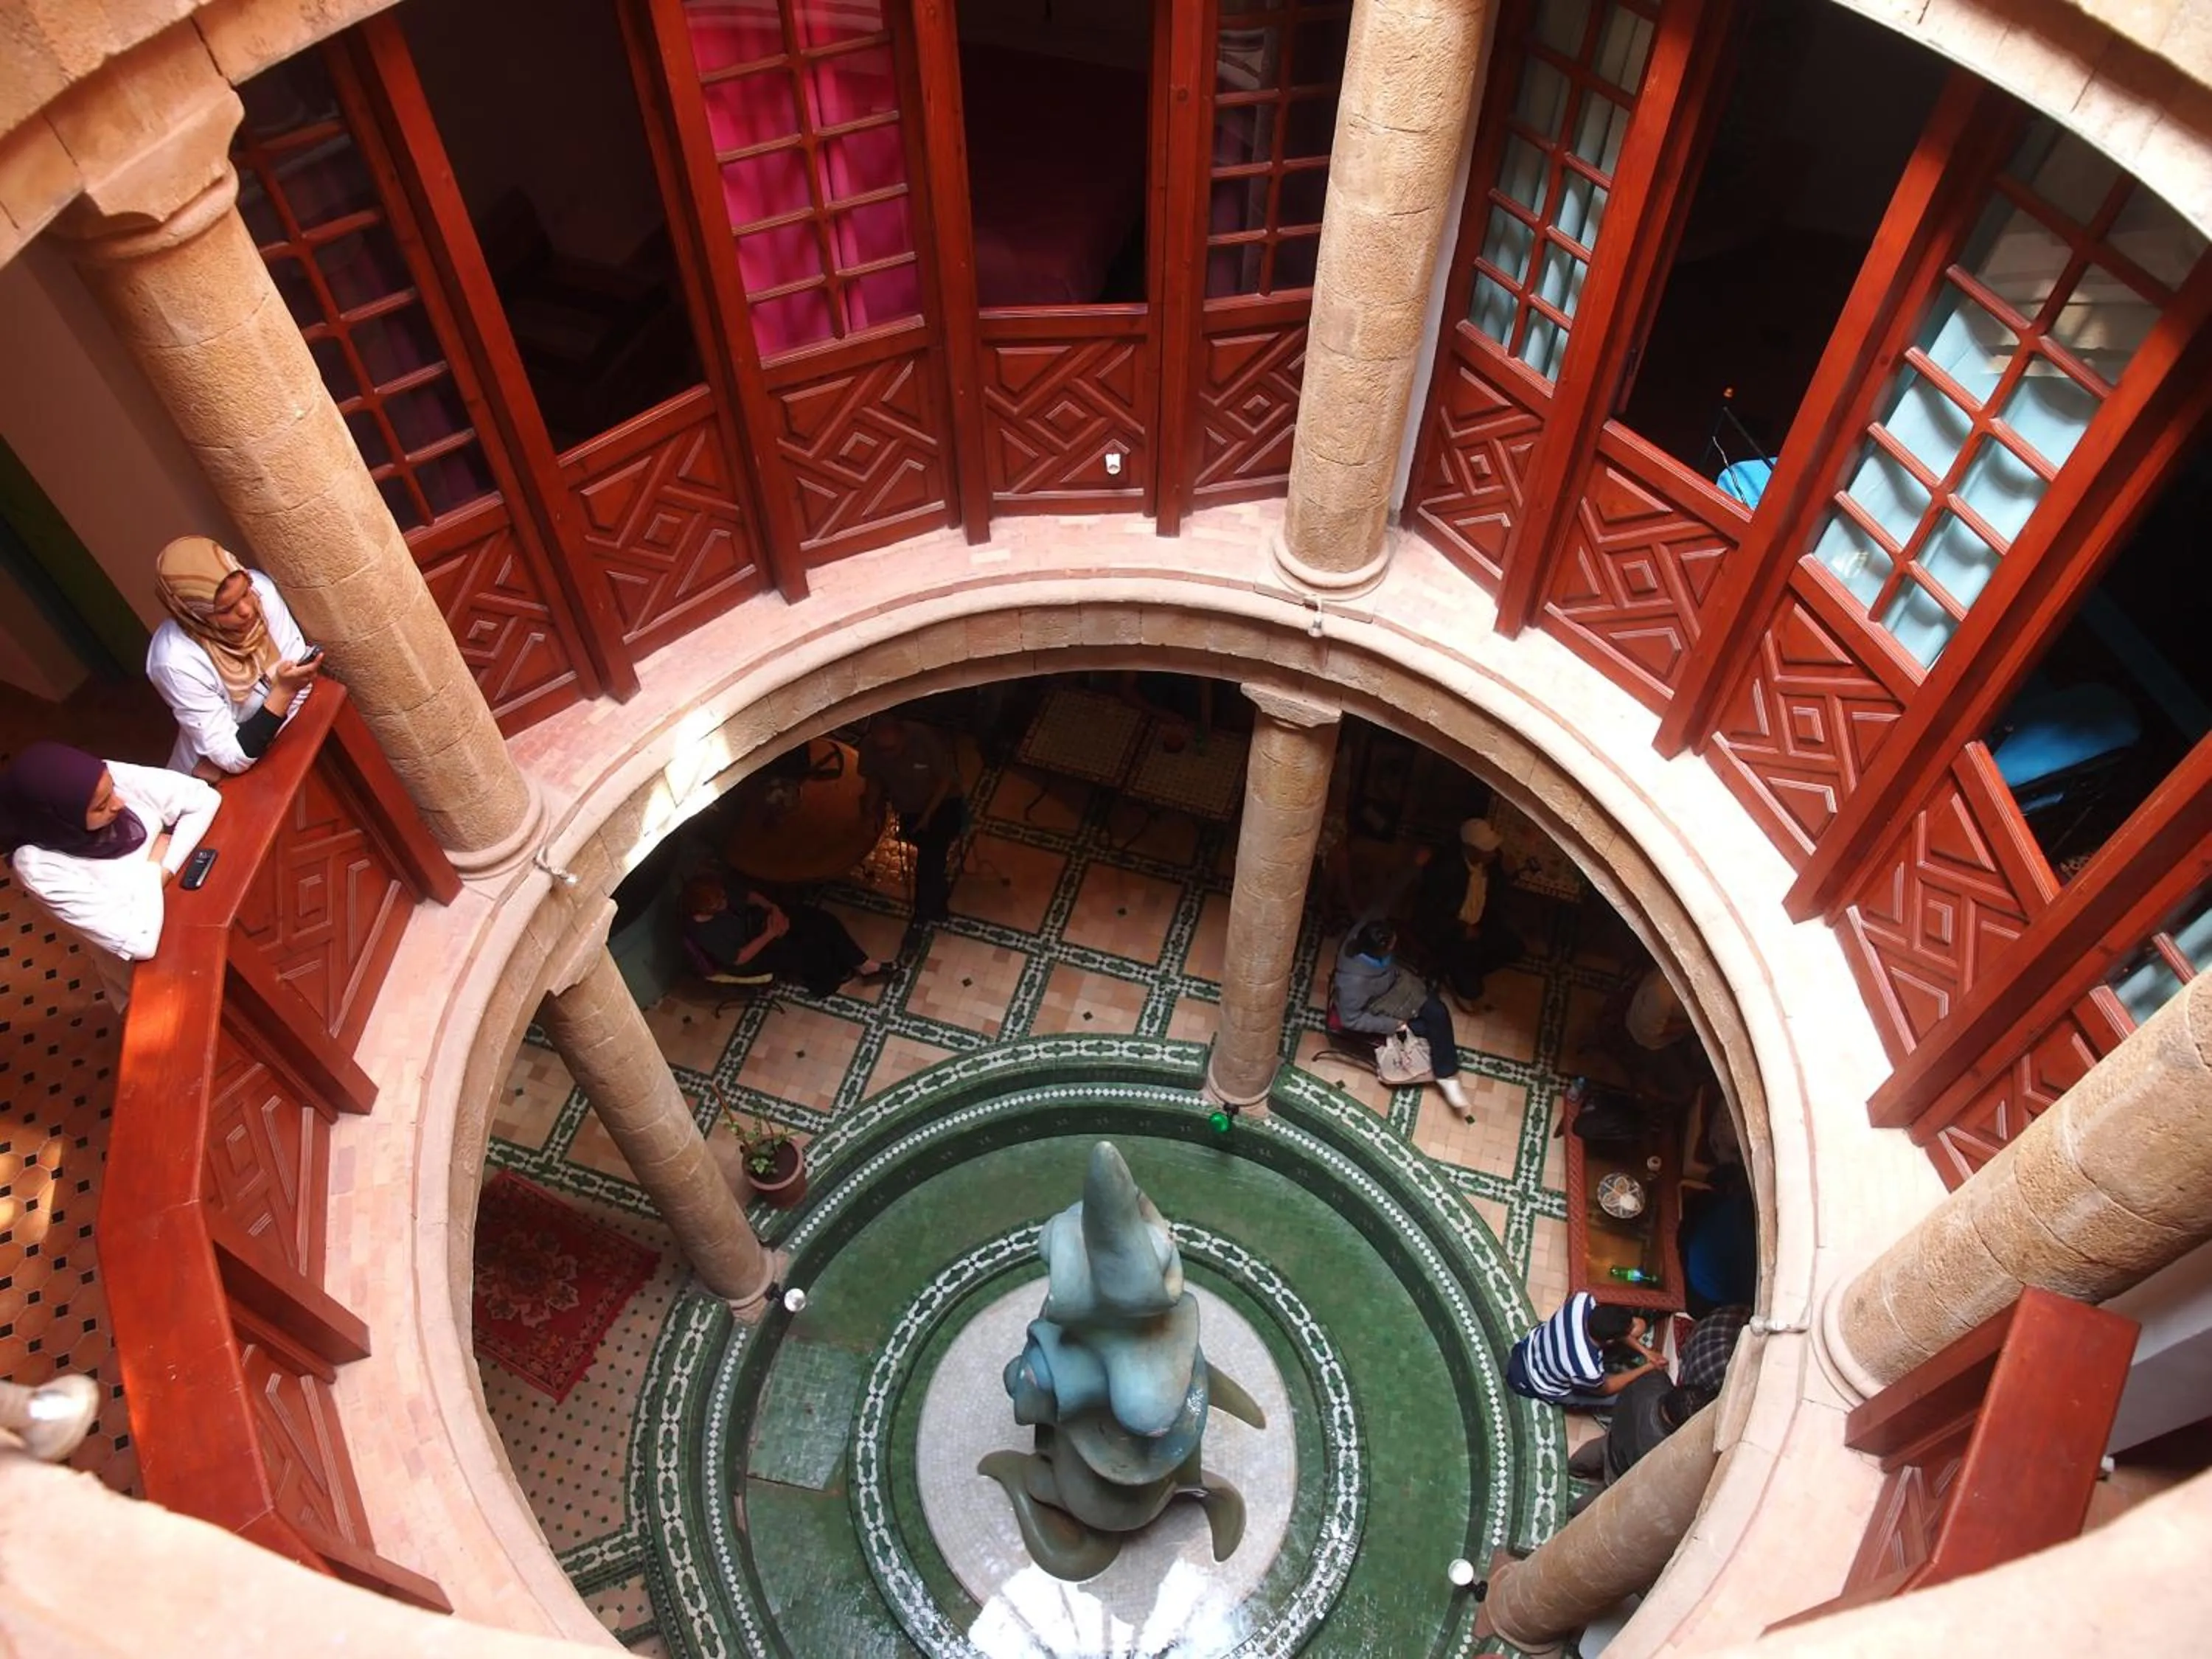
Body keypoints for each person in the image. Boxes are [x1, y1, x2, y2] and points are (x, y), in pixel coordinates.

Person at [1, 741, 221, 1005]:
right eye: (100, 807)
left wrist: (166, 868)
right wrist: (154, 869)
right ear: (59, 818)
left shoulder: (101, 779)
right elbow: (141, 941)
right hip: (159, 974)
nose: (119, 804)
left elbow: (203, 799)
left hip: (198, 914)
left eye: (111, 791)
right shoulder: (39, 867)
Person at [146, 535, 321, 779]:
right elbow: (232, 756)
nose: (247, 610)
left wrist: (279, 701)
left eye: (245, 592)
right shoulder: (174, 661)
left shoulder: (261, 590)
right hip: (212, 783)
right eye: (226, 610)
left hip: (280, 749)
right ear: (193, 613)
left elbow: (303, 679)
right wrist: (283, 691)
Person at [1334, 917, 1474, 1119]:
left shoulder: (1365, 931)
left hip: (1397, 984)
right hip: (1380, 1003)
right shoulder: (1353, 984)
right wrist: (1392, 1025)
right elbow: (1351, 1019)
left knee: (1438, 1012)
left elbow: (1381, 904)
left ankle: (1445, 1074)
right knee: (1425, 1028)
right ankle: (1446, 1073)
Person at [681, 875, 889, 998]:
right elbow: (739, 957)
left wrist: (773, 909)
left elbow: (749, 896)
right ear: (707, 908)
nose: (725, 903)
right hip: (750, 956)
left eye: (723, 898)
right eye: (720, 904)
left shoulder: (719, 894)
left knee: (821, 920)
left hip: (756, 925)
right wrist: (770, 934)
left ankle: (863, 963)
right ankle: (826, 981)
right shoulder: (705, 932)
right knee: (804, 948)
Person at [858, 716, 964, 926]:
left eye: (892, 749)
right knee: (931, 857)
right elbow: (874, 779)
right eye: (883, 750)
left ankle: (923, 912)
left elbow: (946, 780)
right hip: (909, 810)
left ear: (903, 737)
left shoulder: (923, 739)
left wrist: (927, 816)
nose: (888, 755)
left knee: (930, 856)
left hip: (943, 803)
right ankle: (936, 899)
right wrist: (869, 810)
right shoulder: (871, 748)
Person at [1506, 1290, 1668, 1411]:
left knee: (1639, 1326)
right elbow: (1607, 1388)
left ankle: (1613, 1356)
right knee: (1621, 1395)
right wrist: (1647, 1367)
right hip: (1542, 1381)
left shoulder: (1582, 1301)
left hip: (1537, 1346)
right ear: (1610, 1340)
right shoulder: (1587, 1369)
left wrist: (1646, 1353)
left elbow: (1617, 1328)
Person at [1567, 1375, 1706, 1511]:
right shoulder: (1660, 1450)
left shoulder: (1656, 1379)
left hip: (1614, 1432)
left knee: (1596, 1450)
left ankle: (1573, 1467)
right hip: (1618, 1470)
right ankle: (1575, 1512)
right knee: (1600, 1501)